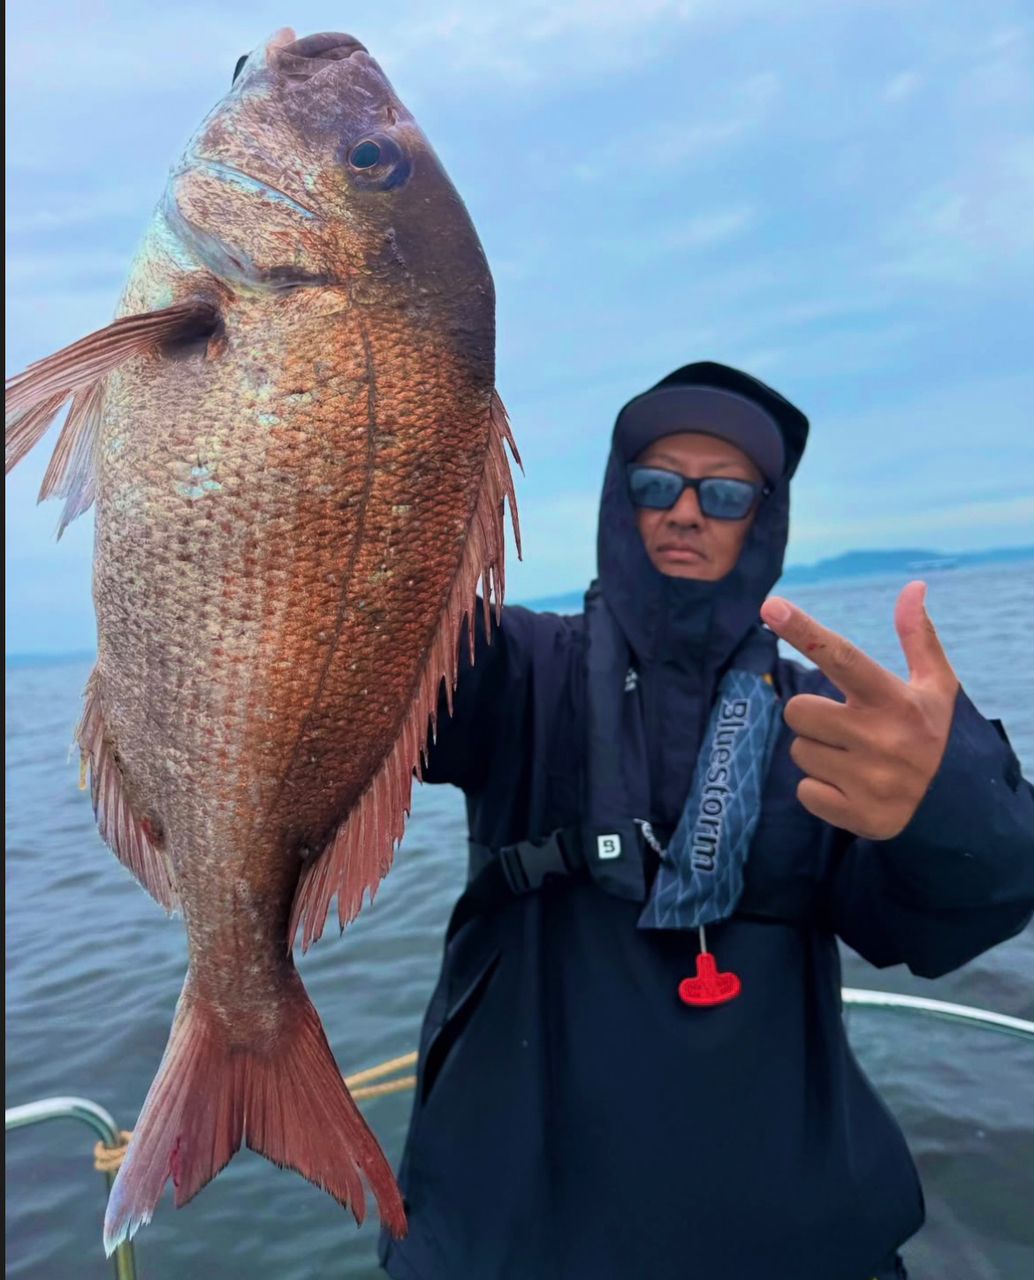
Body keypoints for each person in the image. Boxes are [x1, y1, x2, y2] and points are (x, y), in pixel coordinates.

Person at [378, 361, 1034, 1280]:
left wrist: (954, 798)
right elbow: (378, 658)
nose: (685, 512)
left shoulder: (826, 724)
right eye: (656, 483)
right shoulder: (521, 668)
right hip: (518, 1224)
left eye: (724, 493)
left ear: (762, 519)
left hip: (784, 1230)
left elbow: (946, 922)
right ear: (619, 501)